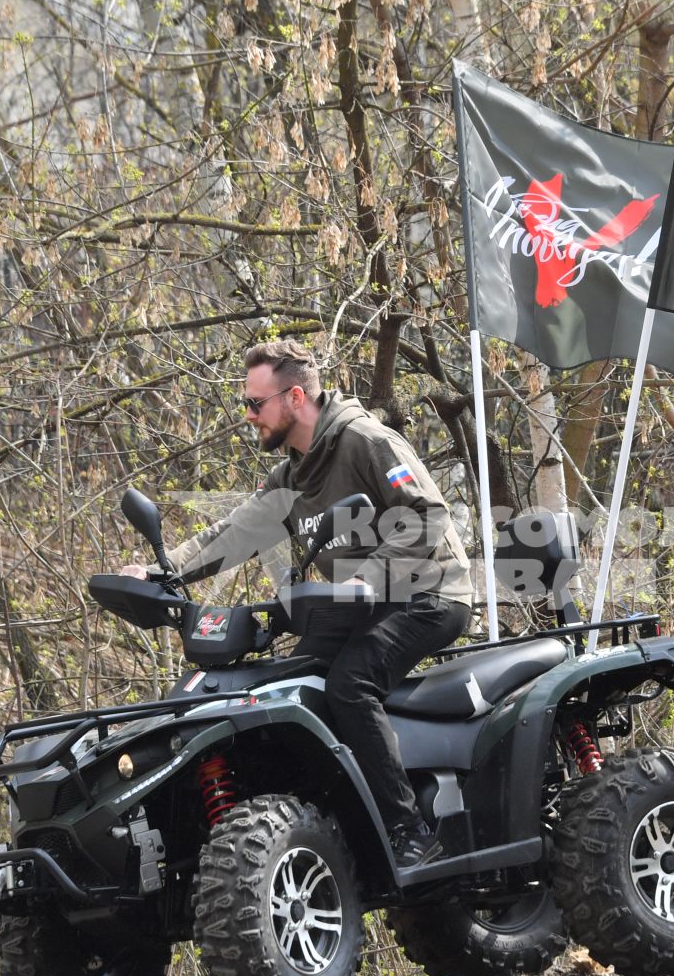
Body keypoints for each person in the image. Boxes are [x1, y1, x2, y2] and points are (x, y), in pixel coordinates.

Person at [120, 339, 473, 868]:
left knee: (350, 685)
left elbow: (429, 517)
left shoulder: (365, 441)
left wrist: (370, 578)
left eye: (255, 404)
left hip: (428, 594)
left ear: (295, 397)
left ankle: (409, 832)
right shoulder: (290, 476)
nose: (247, 416)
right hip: (361, 606)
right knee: (286, 682)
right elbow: (233, 533)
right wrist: (162, 570)